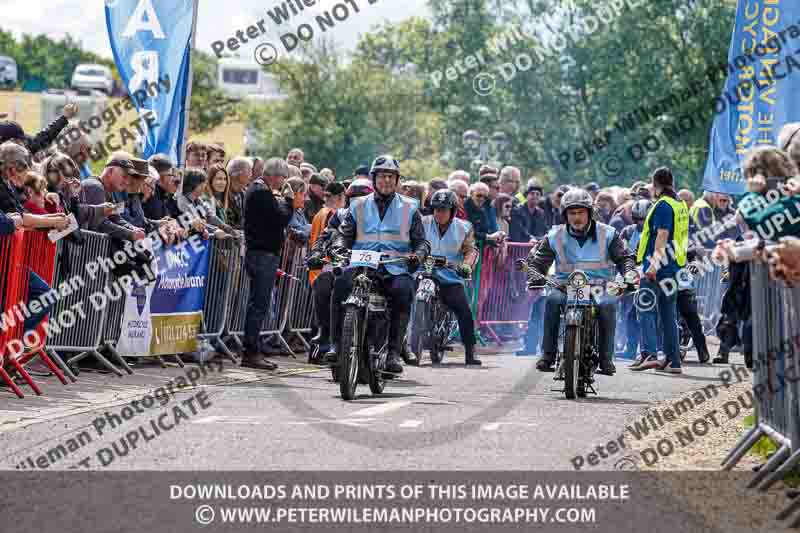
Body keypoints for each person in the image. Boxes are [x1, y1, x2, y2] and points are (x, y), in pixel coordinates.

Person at [330, 155, 430, 374]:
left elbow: (421, 241)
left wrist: (418, 255)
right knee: (340, 285)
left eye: (391, 176)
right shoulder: (357, 205)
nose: (386, 180)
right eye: (382, 176)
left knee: (403, 291)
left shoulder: (411, 207)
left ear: (397, 180)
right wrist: (339, 247)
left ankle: (394, 352)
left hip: (394, 267)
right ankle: (336, 345)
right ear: (374, 179)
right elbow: (344, 234)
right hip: (362, 265)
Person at [525, 188, 636, 375]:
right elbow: (539, 261)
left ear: (590, 212)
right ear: (565, 215)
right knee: (551, 301)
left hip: (599, 288)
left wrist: (629, 275)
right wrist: (534, 276)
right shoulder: (554, 235)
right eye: (572, 213)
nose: (576, 217)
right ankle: (548, 355)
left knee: (607, 305)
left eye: (581, 212)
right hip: (565, 286)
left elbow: (625, 258)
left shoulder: (608, 233)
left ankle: (606, 358)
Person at [410, 189, 480, 365]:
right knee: (401, 299)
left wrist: (466, 265)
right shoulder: (422, 222)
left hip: (449, 275)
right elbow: (410, 241)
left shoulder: (464, 227)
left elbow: (471, 250)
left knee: (463, 310)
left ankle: (470, 350)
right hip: (422, 271)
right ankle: (400, 347)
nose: (439, 213)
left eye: (443, 209)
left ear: (453, 211)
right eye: (436, 209)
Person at [305, 179, 373, 359]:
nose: (359, 203)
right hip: (343, 266)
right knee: (322, 282)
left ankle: (394, 345)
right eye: (355, 199)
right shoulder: (340, 214)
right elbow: (325, 236)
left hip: (374, 269)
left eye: (363, 199)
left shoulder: (381, 219)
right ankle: (326, 334)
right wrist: (317, 253)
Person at [630, 167, 689, 374]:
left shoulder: (663, 205)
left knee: (645, 307)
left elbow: (662, 236)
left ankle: (649, 354)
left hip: (659, 267)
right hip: (673, 267)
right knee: (667, 313)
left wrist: (653, 265)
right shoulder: (680, 204)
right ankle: (673, 361)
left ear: (655, 185)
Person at [242, 157, 294, 370]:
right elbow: (280, 219)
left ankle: (253, 350)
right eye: (282, 178)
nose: (283, 183)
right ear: (275, 176)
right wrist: (289, 202)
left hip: (261, 253)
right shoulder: (262, 192)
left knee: (258, 304)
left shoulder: (259, 190)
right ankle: (251, 352)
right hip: (262, 255)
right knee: (259, 305)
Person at [143, 154, 181, 220]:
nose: (171, 178)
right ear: (159, 176)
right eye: (170, 175)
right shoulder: (152, 196)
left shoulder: (162, 195)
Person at [225, 157, 253, 229]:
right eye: (249, 171)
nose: (251, 175)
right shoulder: (222, 193)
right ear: (238, 173)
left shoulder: (245, 193)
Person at [286, 177, 311, 244]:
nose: (306, 198)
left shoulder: (298, 211)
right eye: (302, 194)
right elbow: (301, 232)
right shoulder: (286, 211)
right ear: (293, 194)